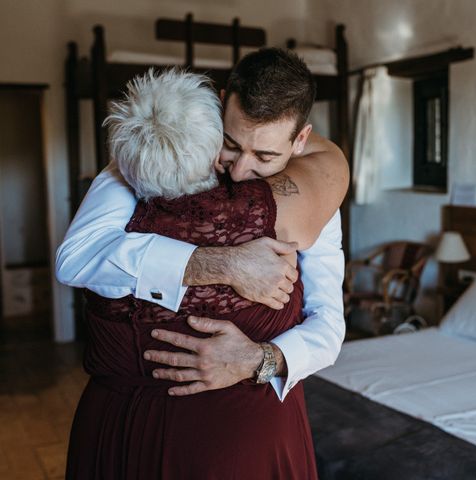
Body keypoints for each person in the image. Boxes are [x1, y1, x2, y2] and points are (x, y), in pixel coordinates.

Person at [64, 63, 347, 478]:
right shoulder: (144, 158)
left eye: (264, 156)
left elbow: (329, 325)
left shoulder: (317, 202)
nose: (239, 169)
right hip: (125, 424)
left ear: (300, 141)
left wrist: (258, 359)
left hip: (248, 430)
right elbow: (77, 258)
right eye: (231, 144)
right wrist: (221, 264)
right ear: (218, 108)